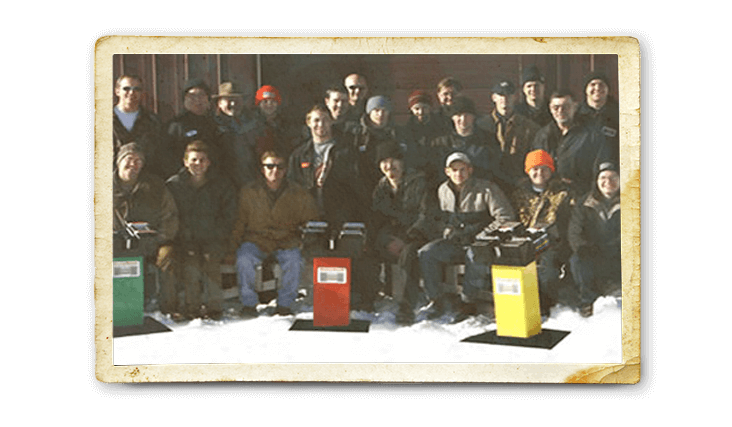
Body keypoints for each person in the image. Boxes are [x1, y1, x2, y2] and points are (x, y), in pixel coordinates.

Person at [416, 152, 515, 321]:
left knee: (474, 254)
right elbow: (444, 219)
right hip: (456, 241)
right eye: (454, 170)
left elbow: (506, 217)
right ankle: (436, 299)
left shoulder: (486, 188)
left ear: (470, 170)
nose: (458, 174)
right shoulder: (443, 190)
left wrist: (483, 233)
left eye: (462, 169)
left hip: (481, 242)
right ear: (447, 172)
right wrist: (449, 231)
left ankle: (468, 302)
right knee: (427, 252)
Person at [231, 150, 320, 317]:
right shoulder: (249, 191)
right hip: (257, 239)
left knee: (294, 260)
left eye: (280, 167)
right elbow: (240, 221)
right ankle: (249, 304)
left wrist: (305, 239)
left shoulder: (298, 192)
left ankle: (285, 304)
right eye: (270, 166)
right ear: (262, 169)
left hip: (285, 240)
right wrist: (233, 245)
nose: (275, 170)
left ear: (286, 170)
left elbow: (311, 219)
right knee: (244, 258)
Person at [165, 141, 237, 320]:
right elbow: (170, 215)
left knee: (211, 262)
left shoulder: (220, 185)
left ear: (209, 162)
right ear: (185, 161)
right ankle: (193, 308)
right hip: (185, 240)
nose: (198, 164)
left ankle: (214, 308)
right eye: (194, 160)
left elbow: (228, 216)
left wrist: (216, 237)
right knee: (191, 265)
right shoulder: (174, 185)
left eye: (202, 160)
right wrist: (182, 237)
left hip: (212, 239)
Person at [113, 143, 180, 318]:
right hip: (113, 244)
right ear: (118, 161)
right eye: (129, 159)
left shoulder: (155, 185)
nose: (133, 164)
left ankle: (168, 309)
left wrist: (161, 237)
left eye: (138, 161)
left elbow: (170, 215)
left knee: (168, 256)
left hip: (150, 242)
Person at [510, 149, 575, 316]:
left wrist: (549, 233)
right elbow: (512, 219)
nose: (539, 173)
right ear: (528, 171)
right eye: (535, 169)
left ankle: (546, 305)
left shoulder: (562, 193)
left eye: (544, 168)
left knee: (548, 268)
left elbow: (567, 221)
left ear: (551, 171)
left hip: (552, 243)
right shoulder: (518, 194)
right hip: (524, 242)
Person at [370, 144, 430, 324]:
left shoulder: (419, 182)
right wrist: (386, 239)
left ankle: (406, 307)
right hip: (391, 236)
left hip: (417, 235)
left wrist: (406, 239)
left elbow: (426, 215)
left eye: (393, 161)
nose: (389, 166)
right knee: (365, 251)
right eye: (384, 162)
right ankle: (367, 298)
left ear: (402, 163)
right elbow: (377, 218)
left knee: (409, 255)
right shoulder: (381, 187)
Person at [531, 89, 611, 197]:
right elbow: (535, 168)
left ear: (575, 107)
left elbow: (600, 168)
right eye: (556, 107)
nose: (560, 111)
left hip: (581, 195)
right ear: (550, 109)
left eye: (566, 107)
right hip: (550, 196)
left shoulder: (591, 134)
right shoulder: (542, 135)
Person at [567, 161, 621, 317]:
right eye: (603, 177)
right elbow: (574, 232)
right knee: (577, 259)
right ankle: (587, 302)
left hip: (619, 252)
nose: (608, 182)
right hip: (592, 252)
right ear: (596, 181)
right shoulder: (585, 203)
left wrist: (612, 248)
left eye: (613, 177)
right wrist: (584, 247)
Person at [429, 96, 507, 191]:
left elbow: (497, 168)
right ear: (452, 117)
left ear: (473, 117)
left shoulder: (487, 139)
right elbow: (436, 173)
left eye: (467, 115)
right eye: (458, 115)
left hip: (482, 190)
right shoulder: (441, 143)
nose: (463, 119)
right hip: (451, 191)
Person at [479, 79, 541, 193]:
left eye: (509, 95)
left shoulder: (529, 127)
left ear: (515, 97)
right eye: (501, 95)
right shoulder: (481, 125)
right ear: (494, 98)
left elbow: (535, 154)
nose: (505, 99)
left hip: (519, 182)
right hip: (489, 184)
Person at [161, 78, 221, 180]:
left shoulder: (217, 123)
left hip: (214, 180)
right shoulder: (175, 126)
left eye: (201, 95)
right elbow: (166, 157)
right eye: (192, 96)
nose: (197, 100)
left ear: (208, 99)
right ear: (184, 100)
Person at [113, 75, 164, 177]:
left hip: (144, 181)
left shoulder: (153, 121)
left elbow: (160, 154)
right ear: (117, 91)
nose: (131, 92)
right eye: (126, 88)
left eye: (136, 89)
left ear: (141, 93)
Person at [211, 82, 259, 190]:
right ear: (219, 103)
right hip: (222, 185)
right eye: (228, 100)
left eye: (237, 100)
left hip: (249, 182)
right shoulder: (211, 126)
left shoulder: (254, 124)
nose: (233, 104)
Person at [401, 89, 452, 174]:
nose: (421, 112)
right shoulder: (407, 130)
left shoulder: (441, 127)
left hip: (438, 172)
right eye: (417, 109)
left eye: (424, 108)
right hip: (416, 173)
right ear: (411, 110)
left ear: (430, 108)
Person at [575, 71, 620, 166]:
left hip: (610, 171)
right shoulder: (575, 115)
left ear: (608, 89)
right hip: (581, 170)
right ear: (586, 89)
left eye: (602, 84)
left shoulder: (619, 114)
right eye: (593, 84)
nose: (597, 88)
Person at [251, 84, 298, 159]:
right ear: (259, 104)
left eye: (273, 101)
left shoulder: (285, 124)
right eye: (265, 101)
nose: (269, 105)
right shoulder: (251, 125)